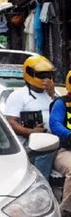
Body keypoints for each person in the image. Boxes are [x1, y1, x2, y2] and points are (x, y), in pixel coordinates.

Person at [4, 54, 58, 179]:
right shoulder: (19, 95)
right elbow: (11, 122)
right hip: (30, 144)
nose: (46, 79)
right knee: (44, 151)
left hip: (55, 141)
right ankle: (40, 182)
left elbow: (62, 114)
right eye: (41, 76)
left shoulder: (53, 95)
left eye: (48, 75)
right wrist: (32, 132)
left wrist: (52, 94)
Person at [50, 70, 71, 216]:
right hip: (64, 149)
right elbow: (55, 123)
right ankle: (65, 211)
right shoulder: (61, 103)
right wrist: (69, 134)